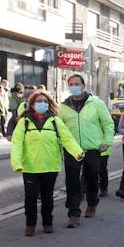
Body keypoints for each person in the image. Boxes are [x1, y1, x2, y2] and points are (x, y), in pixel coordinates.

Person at [11, 89, 84, 235]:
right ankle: (30, 224)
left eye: (45, 101)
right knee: (30, 198)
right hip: (30, 167)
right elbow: (16, 143)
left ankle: (47, 223)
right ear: (31, 104)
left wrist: (77, 152)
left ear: (49, 104)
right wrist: (16, 163)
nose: (42, 104)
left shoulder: (55, 121)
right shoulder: (24, 122)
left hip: (50, 166)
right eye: (39, 101)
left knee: (47, 197)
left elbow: (67, 138)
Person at [58, 75, 114, 226]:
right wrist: (58, 146)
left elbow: (108, 124)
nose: (73, 86)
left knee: (91, 178)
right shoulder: (62, 107)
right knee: (72, 181)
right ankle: (73, 213)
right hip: (72, 149)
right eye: (71, 84)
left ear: (83, 85)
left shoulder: (96, 103)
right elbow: (58, 129)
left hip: (92, 149)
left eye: (76, 84)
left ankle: (92, 202)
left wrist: (107, 142)